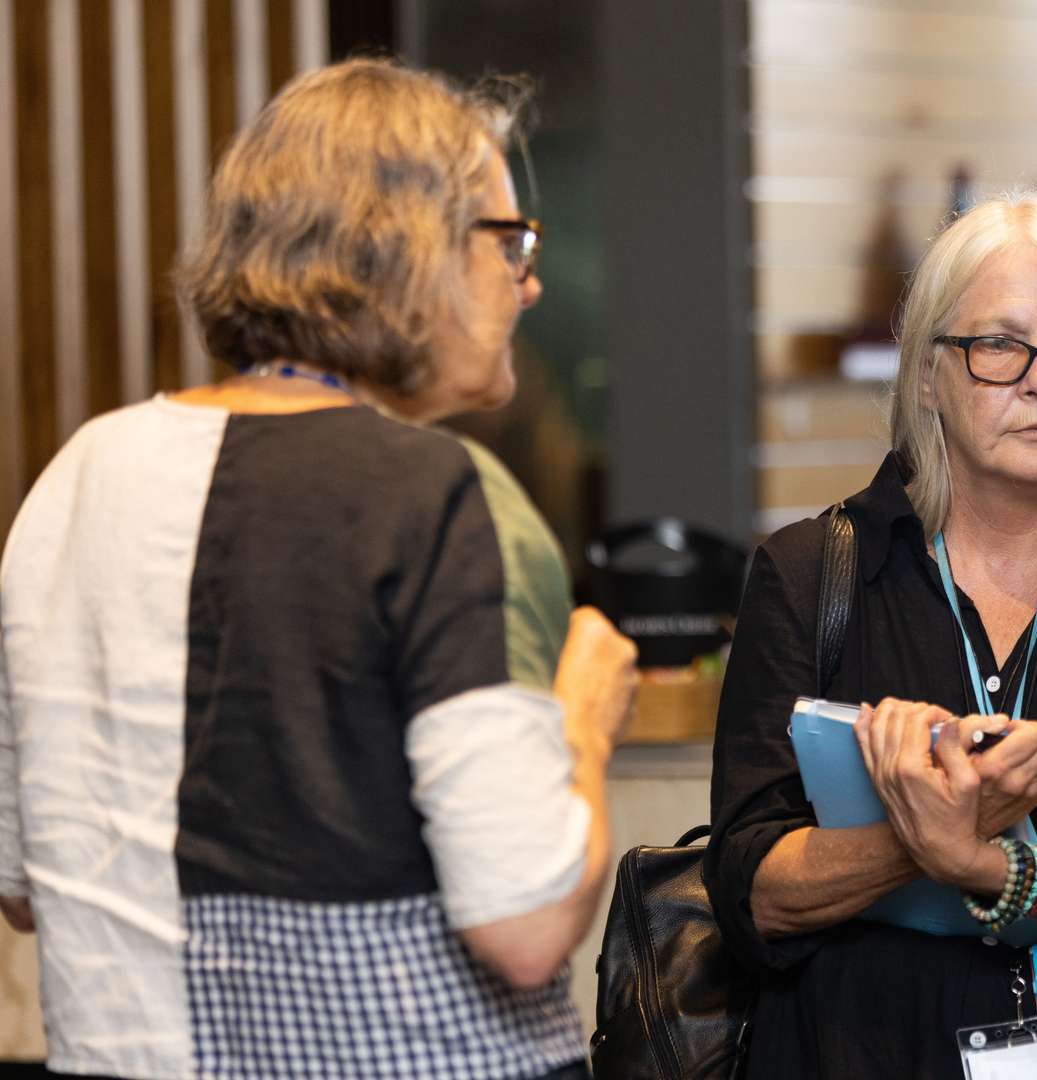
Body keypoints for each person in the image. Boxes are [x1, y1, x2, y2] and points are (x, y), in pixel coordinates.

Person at [0, 59, 637, 1079]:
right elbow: (524, 927)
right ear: (411, 244)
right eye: (508, 240)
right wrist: (585, 719)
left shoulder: (76, 476)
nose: (529, 282)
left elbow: (24, 887)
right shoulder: (425, 491)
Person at [706, 192, 1037, 1078]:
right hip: (859, 1054)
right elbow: (754, 891)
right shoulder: (809, 575)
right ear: (929, 373)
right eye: (999, 345)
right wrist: (923, 842)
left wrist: (982, 863)